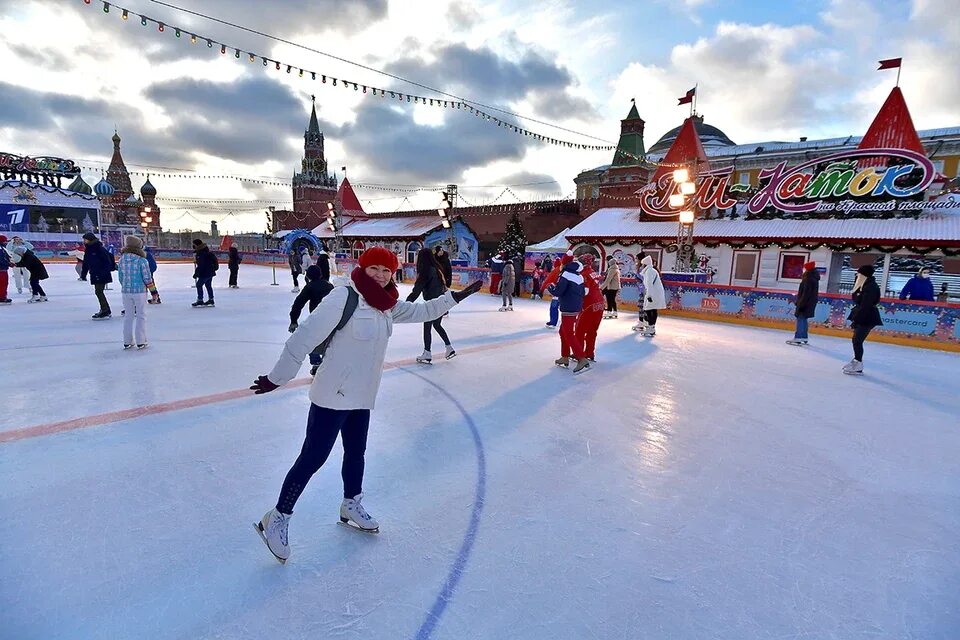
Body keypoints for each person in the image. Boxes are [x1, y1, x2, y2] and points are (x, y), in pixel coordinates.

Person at [250, 247, 483, 562]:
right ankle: (277, 517)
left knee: (356, 453)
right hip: (333, 395)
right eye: (375, 268)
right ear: (362, 268)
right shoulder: (343, 298)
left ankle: (351, 503)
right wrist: (277, 378)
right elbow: (304, 337)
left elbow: (421, 312)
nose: (381, 275)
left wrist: (454, 298)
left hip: (362, 396)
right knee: (313, 458)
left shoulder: (386, 305)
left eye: (387, 270)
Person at [407, 248, 457, 363]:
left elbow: (417, 290)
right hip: (440, 302)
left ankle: (427, 353)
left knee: (427, 327)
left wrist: (406, 304)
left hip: (431, 303)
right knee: (437, 325)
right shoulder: (437, 268)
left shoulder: (426, 270)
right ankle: (449, 347)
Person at [289, 265, 335, 374]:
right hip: (333, 319)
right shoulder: (329, 285)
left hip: (318, 319)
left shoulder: (310, 287)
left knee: (310, 341)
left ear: (308, 276)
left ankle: (316, 364)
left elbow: (298, 304)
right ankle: (325, 362)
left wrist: (294, 321)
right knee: (329, 342)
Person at [549, 260, 589, 373]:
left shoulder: (565, 275)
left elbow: (558, 291)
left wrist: (550, 287)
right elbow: (583, 292)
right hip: (576, 306)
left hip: (568, 307)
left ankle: (581, 358)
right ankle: (565, 356)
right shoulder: (579, 276)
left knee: (568, 333)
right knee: (563, 331)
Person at [844, 265, 882, 376]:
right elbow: (856, 299)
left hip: (867, 317)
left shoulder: (871, 287)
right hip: (862, 315)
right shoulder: (864, 285)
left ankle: (858, 364)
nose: (857, 275)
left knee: (857, 341)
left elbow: (865, 305)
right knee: (856, 340)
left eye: (859, 274)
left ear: (864, 275)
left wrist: (856, 320)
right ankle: (856, 361)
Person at [117, 235, 154, 350]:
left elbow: (120, 277)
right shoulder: (142, 260)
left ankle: (127, 341)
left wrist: (125, 286)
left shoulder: (122, 259)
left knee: (128, 316)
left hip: (126, 292)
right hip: (139, 292)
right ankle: (141, 341)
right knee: (141, 315)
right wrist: (154, 292)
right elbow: (147, 278)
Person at [575, 255, 605, 362]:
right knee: (592, 331)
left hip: (589, 305)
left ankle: (579, 353)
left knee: (580, 330)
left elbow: (586, 291)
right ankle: (589, 353)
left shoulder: (584, 274)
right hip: (600, 304)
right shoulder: (593, 272)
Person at [80, 232, 116, 320]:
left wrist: (103, 272)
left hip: (101, 273)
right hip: (95, 273)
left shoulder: (98, 249)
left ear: (90, 240)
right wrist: (83, 275)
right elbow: (86, 263)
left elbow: (107, 261)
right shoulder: (89, 249)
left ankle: (105, 310)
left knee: (99, 291)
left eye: (85, 239)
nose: (84, 241)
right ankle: (105, 309)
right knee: (98, 291)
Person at [786, 261, 820, 346]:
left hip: (805, 303)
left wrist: (800, 304)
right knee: (804, 319)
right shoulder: (814, 277)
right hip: (810, 302)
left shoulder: (808, 278)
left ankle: (798, 337)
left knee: (801, 319)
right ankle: (804, 337)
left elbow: (805, 293)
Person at [541, 251, 573, 328]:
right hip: (569, 293)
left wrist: (541, 290)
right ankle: (569, 323)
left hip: (558, 291)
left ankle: (553, 322)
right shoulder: (574, 271)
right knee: (567, 309)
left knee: (554, 307)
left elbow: (548, 280)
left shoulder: (558, 270)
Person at [635, 255, 665, 336]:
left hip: (653, 293)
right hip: (655, 293)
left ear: (645, 264)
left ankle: (650, 328)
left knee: (649, 309)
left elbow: (649, 285)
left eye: (642, 264)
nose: (641, 266)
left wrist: (649, 296)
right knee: (652, 309)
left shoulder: (649, 271)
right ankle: (652, 327)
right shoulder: (651, 270)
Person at [192, 239, 218, 307]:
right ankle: (211, 299)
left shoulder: (201, 253)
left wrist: (196, 273)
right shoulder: (204, 251)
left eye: (194, 244)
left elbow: (201, 265)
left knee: (199, 285)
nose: (193, 246)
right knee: (208, 285)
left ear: (197, 245)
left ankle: (200, 300)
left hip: (205, 272)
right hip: (210, 272)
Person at [0, 235, 11, 305]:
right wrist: (9, 264)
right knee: (3, 284)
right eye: (5, 241)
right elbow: (2, 259)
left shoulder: (2, 248)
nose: (6, 242)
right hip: (1, 270)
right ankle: (2, 297)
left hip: (2, 268)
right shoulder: (0, 249)